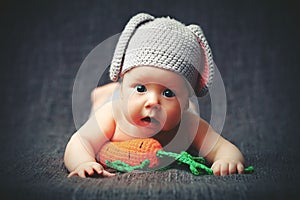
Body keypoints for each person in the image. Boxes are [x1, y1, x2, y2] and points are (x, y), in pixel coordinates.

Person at [64, 13, 245, 178]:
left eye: (168, 93)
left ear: (185, 101)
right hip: (113, 99)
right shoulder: (112, 115)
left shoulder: (189, 124)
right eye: (141, 88)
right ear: (124, 79)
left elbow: (223, 147)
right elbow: (80, 142)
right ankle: (106, 92)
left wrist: (227, 159)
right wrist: (84, 163)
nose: (152, 102)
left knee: (192, 110)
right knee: (104, 101)